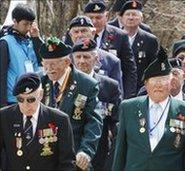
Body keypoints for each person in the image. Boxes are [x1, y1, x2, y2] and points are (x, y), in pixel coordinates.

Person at [112, 50, 185, 170]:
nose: (159, 85)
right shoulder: (128, 107)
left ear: (170, 84)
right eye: (154, 80)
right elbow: (120, 152)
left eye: (163, 80)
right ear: (146, 84)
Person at [39, 37, 102, 171]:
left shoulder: (86, 85)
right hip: (44, 152)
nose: (49, 69)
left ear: (67, 62)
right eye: (46, 64)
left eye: (54, 64)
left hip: (73, 155)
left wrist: (86, 151)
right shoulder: (39, 82)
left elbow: (94, 122)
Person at [0, 73, 75, 170]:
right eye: (20, 99)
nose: (25, 105)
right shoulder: (4, 117)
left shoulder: (59, 120)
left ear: (40, 95)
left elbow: (67, 162)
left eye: (31, 100)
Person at [72, 38, 122, 170]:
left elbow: (117, 122)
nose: (82, 61)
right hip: (70, 151)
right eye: (78, 57)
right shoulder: (65, 85)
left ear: (96, 58)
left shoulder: (109, 86)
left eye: (86, 56)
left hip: (98, 151)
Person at [84, 0, 137, 99]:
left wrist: (127, 98)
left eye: (98, 17)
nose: (94, 21)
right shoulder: (77, 34)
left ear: (106, 16)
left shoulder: (120, 36)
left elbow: (129, 70)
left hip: (109, 93)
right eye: (91, 18)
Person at [0, 4, 42, 107]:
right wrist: (2, 103)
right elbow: (1, 75)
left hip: (33, 98)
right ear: (15, 21)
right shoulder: (5, 42)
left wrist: (37, 38)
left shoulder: (32, 41)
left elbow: (43, 61)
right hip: (14, 100)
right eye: (25, 24)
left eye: (31, 24)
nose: (28, 28)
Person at [67, 15, 123, 91]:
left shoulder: (111, 61)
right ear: (70, 35)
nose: (79, 35)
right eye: (76, 32)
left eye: (84, 31)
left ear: (93, 33)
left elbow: (116, 94)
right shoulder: (64, 60)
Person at [120, 0, 159, 91]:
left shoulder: (150, 40)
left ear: (141, 19)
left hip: (139, 88)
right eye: (127, 14)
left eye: (134, 15)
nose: (131, 18)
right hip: (116, 86)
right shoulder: (113, 37)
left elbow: (153, 67)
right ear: (121, 18)